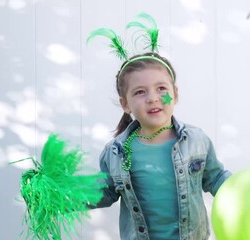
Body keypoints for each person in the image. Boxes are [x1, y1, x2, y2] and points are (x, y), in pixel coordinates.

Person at [93, 52, 231, 240]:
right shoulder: (116, 152)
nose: (153, 98)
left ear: (175, 95)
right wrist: (63, 196)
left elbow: (216, 179)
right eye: (140, 92)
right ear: (125, 104)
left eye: (161, 88)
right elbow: (103, 192)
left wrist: (247, 193)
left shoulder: (196, 141)